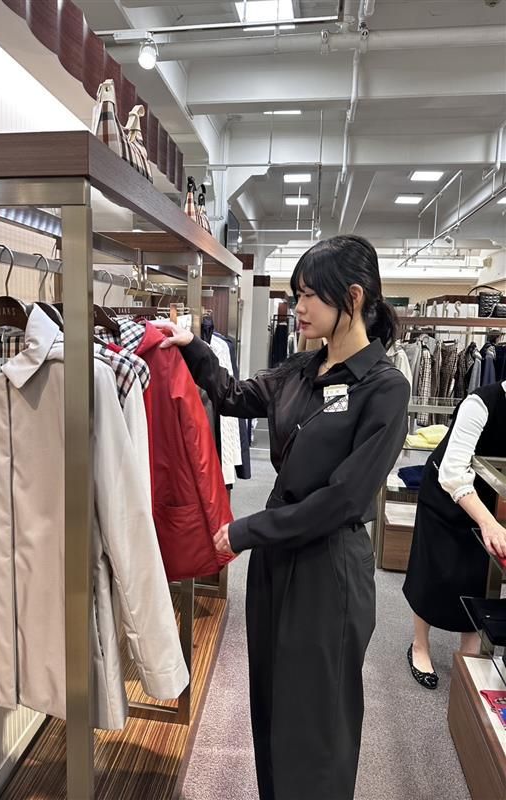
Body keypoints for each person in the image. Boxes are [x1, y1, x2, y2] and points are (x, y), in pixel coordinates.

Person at [154, 234, 410, 800]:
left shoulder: (384, 389)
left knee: (317, 720)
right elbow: (233, 395)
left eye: (309, 295)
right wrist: (193, 347)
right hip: (276, 561)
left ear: (353, 297)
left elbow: (344, 500)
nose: (297, 307)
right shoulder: (301, 369)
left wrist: (247, 531)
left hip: (328, 569)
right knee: (271, 701)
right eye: (297, 295)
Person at [403, 378, 506, 689]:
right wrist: (488, 523)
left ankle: (469, 653)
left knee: (479, 574)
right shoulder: (481, 403)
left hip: (488, 496)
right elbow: (453, 471)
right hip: (444, 493)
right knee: (433, 572)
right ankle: (420, 645)